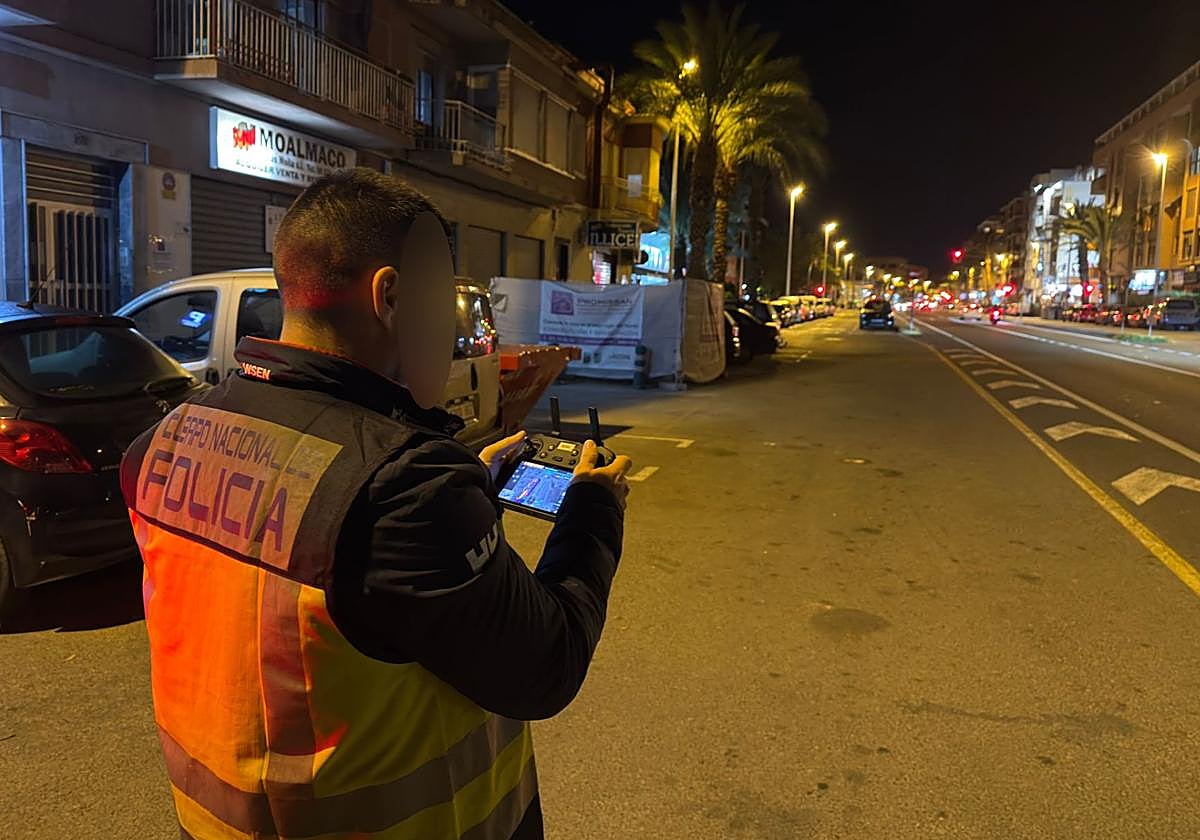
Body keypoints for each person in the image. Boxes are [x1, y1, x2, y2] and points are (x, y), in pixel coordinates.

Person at [120, 168, 632, 840]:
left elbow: (314, 542)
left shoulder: (163, 444)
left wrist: (460, 492)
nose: (450, 333)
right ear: (389, 296)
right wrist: (593, 510)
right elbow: (547, 665)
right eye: (442, 301)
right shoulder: (408, 492)